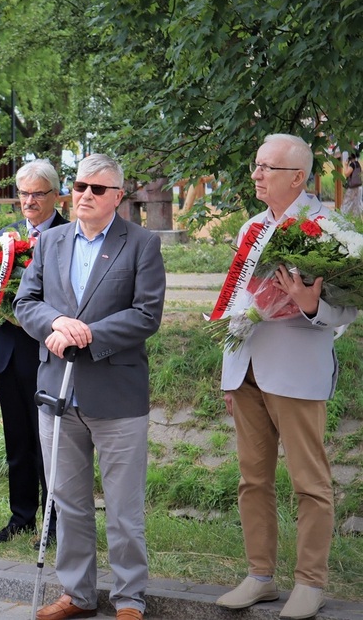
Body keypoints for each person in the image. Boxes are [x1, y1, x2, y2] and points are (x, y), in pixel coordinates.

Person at [14, 153, 165, 620]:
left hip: (116, 396)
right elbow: (26, 302)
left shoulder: (141, 243)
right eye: (80, 187)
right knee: (69, 502)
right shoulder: (52, 241)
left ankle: (128, 598)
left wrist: (88, 333)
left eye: (98, 189)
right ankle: (77, 593)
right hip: (56, 394)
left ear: (118, 197)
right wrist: (57, 321)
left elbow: (146, 314)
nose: (85, 196)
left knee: (123, 509)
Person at [215, 134, 358, 620]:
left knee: (309, 482)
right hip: (248, 370)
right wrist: (229, 374)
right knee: (252, 480)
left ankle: (310, 581)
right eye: (256, 166)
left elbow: (348, 308)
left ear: (297, 177)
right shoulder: (251, 228)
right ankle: (260, 576)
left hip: (297, 371)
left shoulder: (329, 227)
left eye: (266, 168)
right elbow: (238, 301)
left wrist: (310, 303)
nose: (255, 175)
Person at [0, 159, 67, 546]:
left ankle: (55, 522)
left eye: (38, 194)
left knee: (49, 443)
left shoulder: (71, 234)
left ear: (55, 195)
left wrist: (35, 317)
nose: (29, 201)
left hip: (46, 350)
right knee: (16, 438)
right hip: (7, 350)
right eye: (24, 193)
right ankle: (21, 517)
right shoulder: (6, 235)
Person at [340, 149, 362, 217]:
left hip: (352, 187)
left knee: (346, 203)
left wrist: (345, 165)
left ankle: (342, 217)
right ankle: (356, 219)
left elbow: (346, 174)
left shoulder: (352, 164)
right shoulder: (358, 163)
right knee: (356, 204)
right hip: (358, 186)